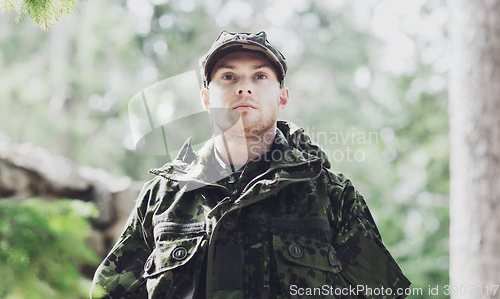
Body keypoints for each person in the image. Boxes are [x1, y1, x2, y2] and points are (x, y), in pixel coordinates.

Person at [91, 31, 411, 299]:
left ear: (282, 97)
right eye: (228, 76)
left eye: (259, 76)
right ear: (205, 98)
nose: (244, 87)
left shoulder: (331, 196)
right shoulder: (162, 197)